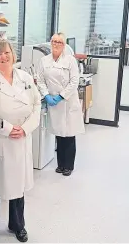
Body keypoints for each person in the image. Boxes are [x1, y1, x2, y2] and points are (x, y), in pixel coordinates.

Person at [0, 39, 41, 243]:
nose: (3, 57)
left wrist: (25, 128)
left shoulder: (25, 77)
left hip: (20, 138)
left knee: (17, 185)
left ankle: (18, 225)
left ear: (13, 54)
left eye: (6, 53)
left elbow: (37, 104)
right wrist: (7, 128)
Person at [36, 32, 85, 176]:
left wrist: (61, 96)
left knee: (69, 135)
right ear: (50, 43)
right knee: (58, 134)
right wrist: (46, 95)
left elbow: (74, 82)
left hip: (68, 102)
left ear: (64, 45)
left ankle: (68, 166)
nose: (56, 44)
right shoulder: (44, 61)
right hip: (53, 102)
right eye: (54, 41)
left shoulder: (70, 61)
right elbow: (40, 80)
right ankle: (60, 164)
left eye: (59, 42)